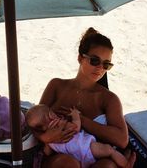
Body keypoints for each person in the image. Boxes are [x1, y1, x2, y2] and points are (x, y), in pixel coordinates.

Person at [32, 27, 136, 168]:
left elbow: (122, 140)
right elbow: (33, 123)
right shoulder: (56, 85)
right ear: (80, 58)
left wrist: (82, 120)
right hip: (58, 157)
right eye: (94, 61)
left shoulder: (108, 99)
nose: (100, 68)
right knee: (67, 164)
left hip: (96, 157)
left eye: (106, 64)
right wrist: (45, 137)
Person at [26, 104, 131, 168]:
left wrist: (47, 142)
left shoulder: (54, 133)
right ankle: (124, 163)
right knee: (109, 150)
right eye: (49, 116)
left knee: (108, 151)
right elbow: (76, 128)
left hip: (84, 151)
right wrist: (75, 115)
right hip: (81, 153)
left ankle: (124, 163)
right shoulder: (55, 132)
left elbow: (47, 152)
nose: (53, 116)